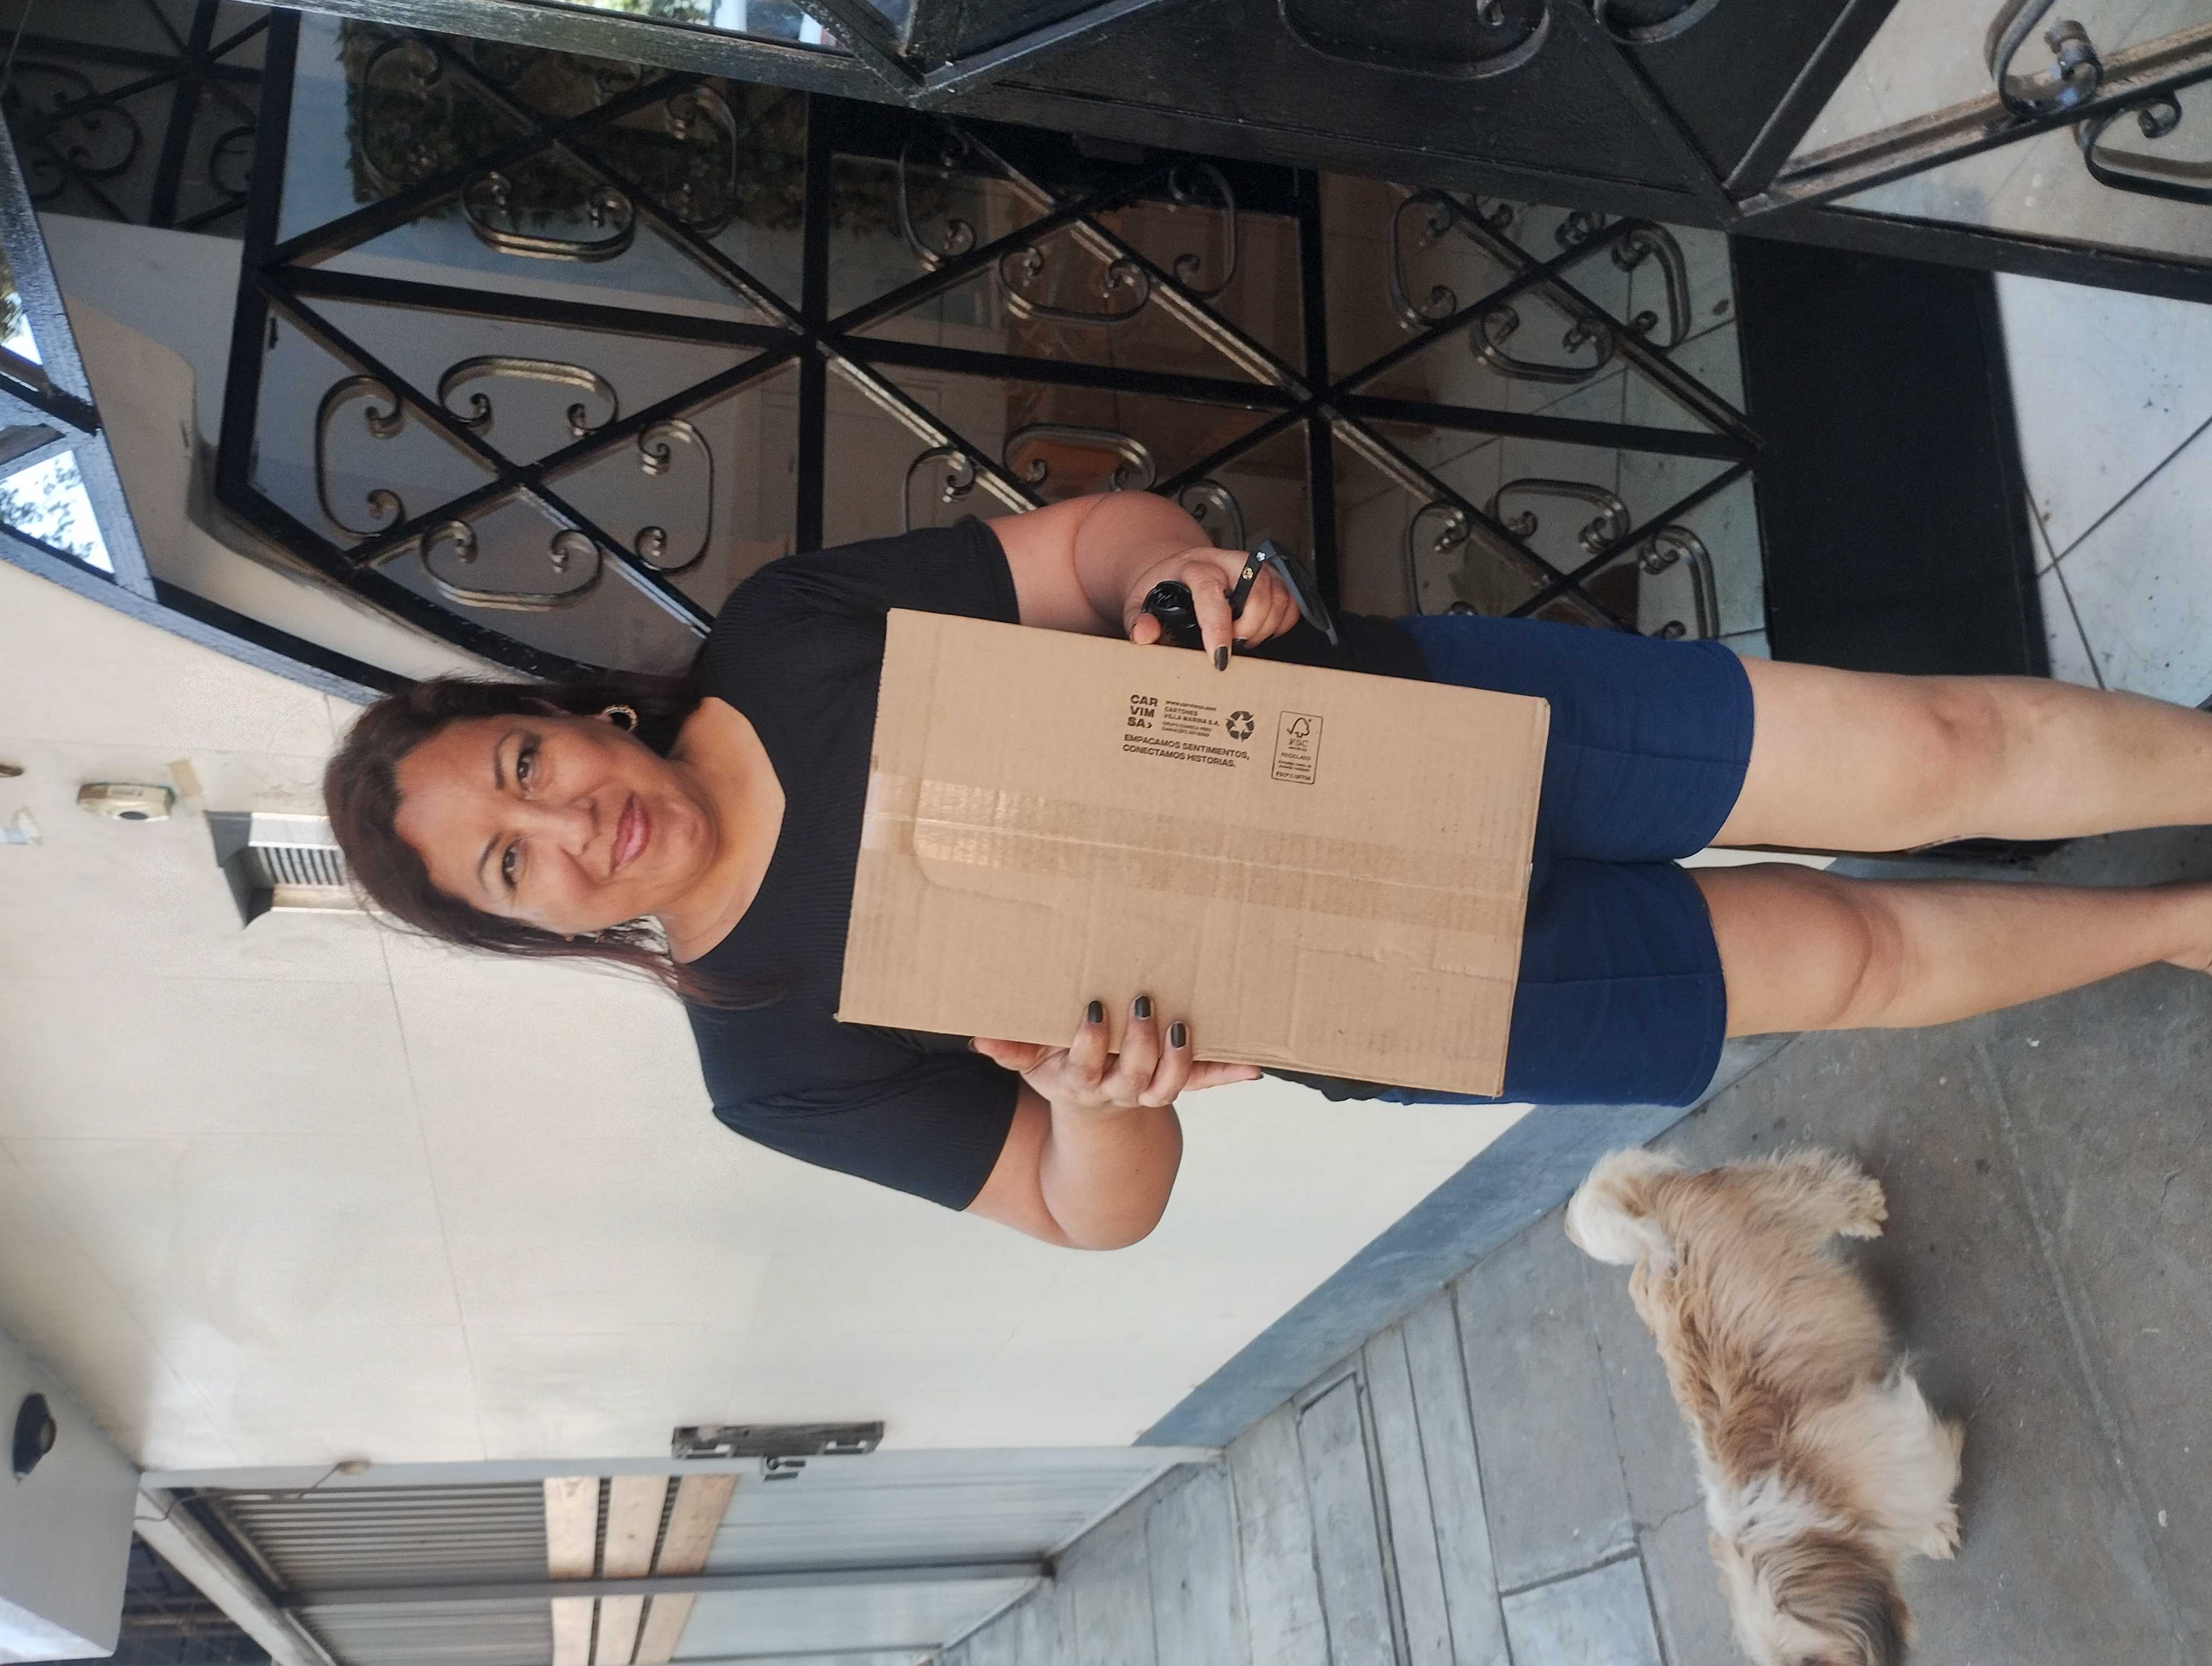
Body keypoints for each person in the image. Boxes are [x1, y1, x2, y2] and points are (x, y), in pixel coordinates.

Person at [324, 492, 2212, 1248]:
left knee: (1927, 750)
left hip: (1406, 717)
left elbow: (1092, 547)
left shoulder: (784, 630)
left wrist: (1174, 573)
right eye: (511, 868)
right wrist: (1102, 1105)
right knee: (1848, 958)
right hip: (1397, 991)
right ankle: (2178, 926)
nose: (566, 825)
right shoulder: (769, 1056)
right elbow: (1082, 1212)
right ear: (532, 930)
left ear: (564, 713)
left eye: (524, 768)